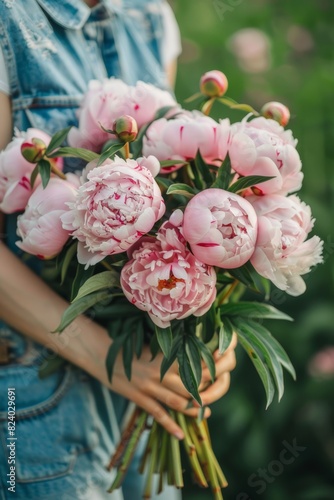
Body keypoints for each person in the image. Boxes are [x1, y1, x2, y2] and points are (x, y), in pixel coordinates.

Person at [0, 1, 237, 499]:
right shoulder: (8, 23)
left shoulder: (149, 15)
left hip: (148, 387)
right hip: (37, 392)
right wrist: (109, 357)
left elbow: (176, 178)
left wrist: (212, 330)